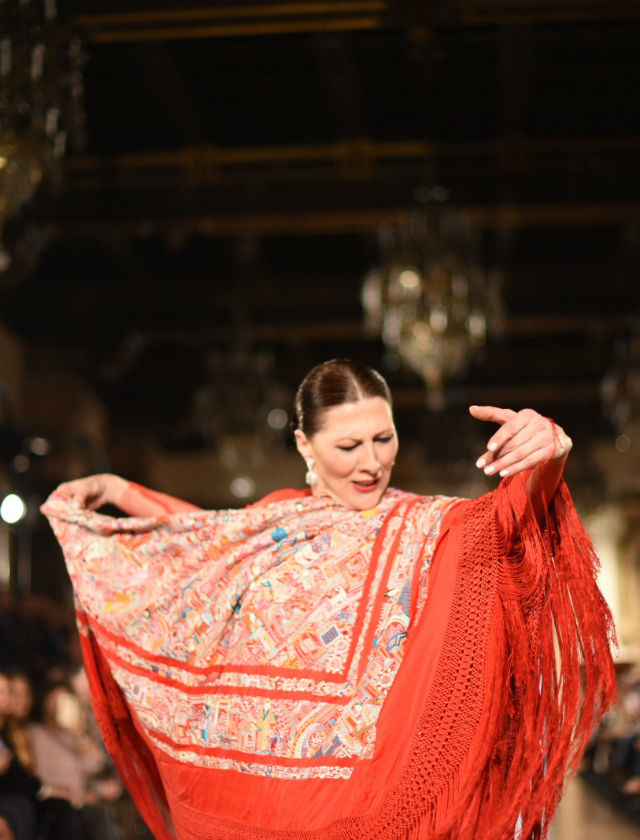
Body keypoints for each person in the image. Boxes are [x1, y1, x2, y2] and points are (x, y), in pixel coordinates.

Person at [41, 358, 617, 840]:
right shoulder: (277, 517)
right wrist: (117, 490)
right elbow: (199, 540)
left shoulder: (426, 525)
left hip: (371, 801)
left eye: (383, 438)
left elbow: (504, 519)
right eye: (349, 445)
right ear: (304, 445)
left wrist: (549, 452)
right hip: (260, 808)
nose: (371, 462)